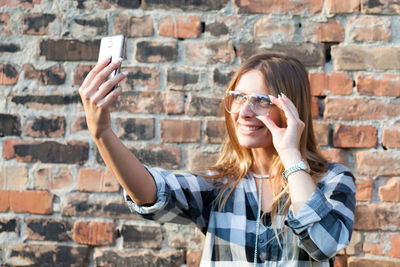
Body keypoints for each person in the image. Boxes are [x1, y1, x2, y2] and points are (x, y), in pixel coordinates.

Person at [79, 52, 356, 266]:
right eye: (238, 97)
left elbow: (324, 243)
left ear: (291, 109)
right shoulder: (220, 186)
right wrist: (102, 133)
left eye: (261, 100)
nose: (245, 112)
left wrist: (291, 155)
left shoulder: (332, 180)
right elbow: (151, 193)